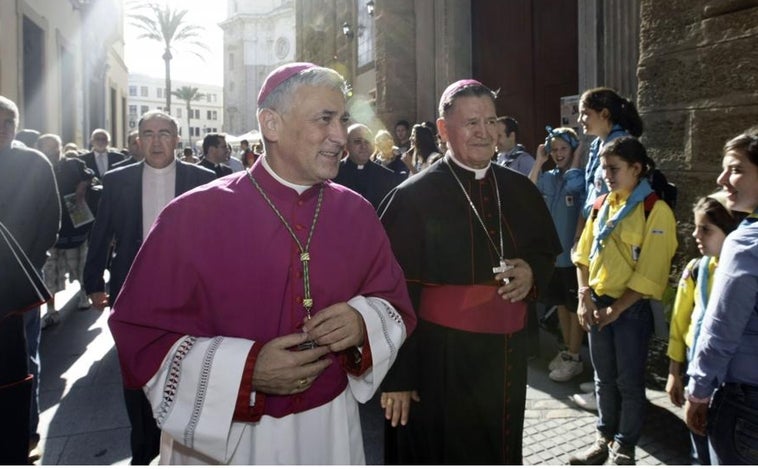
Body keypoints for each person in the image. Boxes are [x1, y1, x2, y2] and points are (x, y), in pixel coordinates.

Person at [107, 62, 415, 465]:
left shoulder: (355, 212)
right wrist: (247, 371)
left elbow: (392, 300)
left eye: (342, 119)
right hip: (226, 438)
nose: (340, 136)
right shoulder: (193, 215)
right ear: (271, 123)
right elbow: (141, 337)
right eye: (324, 119)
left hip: (330, 429)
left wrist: (361, 323)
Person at [377, 79, 561, 464]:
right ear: (443, 130)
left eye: (490, 121)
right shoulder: (413, 197)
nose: (484, 132)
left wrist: (531, 272)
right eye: (471, 123)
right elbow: (392, 294)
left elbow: (545, 252)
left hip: (505, 358)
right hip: (439, 358)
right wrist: (398, 377)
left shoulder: (519, 189)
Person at [83, 110, 216, 464]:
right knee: (136, 371)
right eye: (148, 133)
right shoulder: (117, 180)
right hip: (131, 290)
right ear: (138, 140)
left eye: (164, 133)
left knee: (187, 368)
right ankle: (144, 451)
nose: (156, 141)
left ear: (177, 138)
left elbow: (216, 239)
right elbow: (102, 234)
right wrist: (93, 281)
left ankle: (185, 450)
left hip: (187, 292)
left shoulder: (202, 179)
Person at [569, 137, 677, 465]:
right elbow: (583, 254)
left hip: (629, 311)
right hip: (597, 303)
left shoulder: (655, 211)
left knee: (629, 382)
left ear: (636, 168)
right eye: (604, 169)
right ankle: (603, 437)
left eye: (614, 169)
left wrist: (616, 309)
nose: (607, 176)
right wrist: (584, 297)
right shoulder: (602, 204)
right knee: (603, 379)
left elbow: (651, 271)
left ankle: (625, 444)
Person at [685, 128, 758, 465]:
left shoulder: (745, 244)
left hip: (745, 403)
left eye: (736, 169)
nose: (722, 178)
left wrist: (698, 392)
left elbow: (721, 330)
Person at [571, 87, 644, 411]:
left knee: (613, 320)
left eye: (586, 113)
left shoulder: (621, 146)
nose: (580, 119)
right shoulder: (598, 146)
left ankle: (609, 398)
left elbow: (613, 199)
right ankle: (605, 387)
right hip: (598, 233)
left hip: (615, 242)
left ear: (604, 114)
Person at [0, 95, 61, 464]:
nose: (1, 129)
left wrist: (29, 264)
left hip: (21, 282)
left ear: (16, 126)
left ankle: (26, 432)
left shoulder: (34, 163)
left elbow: (49, 219)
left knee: (26, 357)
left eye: (7, 122)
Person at [666, 193, 742, 465]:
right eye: (696, 226)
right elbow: (679, 322)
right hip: (696, 375)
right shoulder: (696, 269)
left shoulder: (741, 275)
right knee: (698, 449)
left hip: (728, 386)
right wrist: (675, 371)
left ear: (730, 231)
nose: (696, 234)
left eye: (706, 229)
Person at [527, 127, 586, 382]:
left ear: (572, 150)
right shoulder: (548, 176)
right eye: (555, 150)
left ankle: (575, 356)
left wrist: (576, 158)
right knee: (561, 305)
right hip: (555, 255)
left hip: (573, 256)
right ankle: (566, 349)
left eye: (564, 149)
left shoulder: (580, 176)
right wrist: (539, 161)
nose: (558, 154)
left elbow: (574, 188)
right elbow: (528, 189)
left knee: (574, 307)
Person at [37, 134, 96, 327]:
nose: (52, 151)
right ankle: (51, 310)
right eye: (47, 147)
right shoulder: (35, 167)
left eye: (55, 147)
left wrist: (82, 185)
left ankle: (84, 294)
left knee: (79, 265)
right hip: (48, 229)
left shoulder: (74, 164)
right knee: (50, 272)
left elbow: (91, 176)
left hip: (74, 226)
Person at [333, 123, 402, 209]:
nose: (364, 146)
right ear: (346, 145)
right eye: (358, 141)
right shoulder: (332, 173)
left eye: (367, 141)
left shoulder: (387, 177)